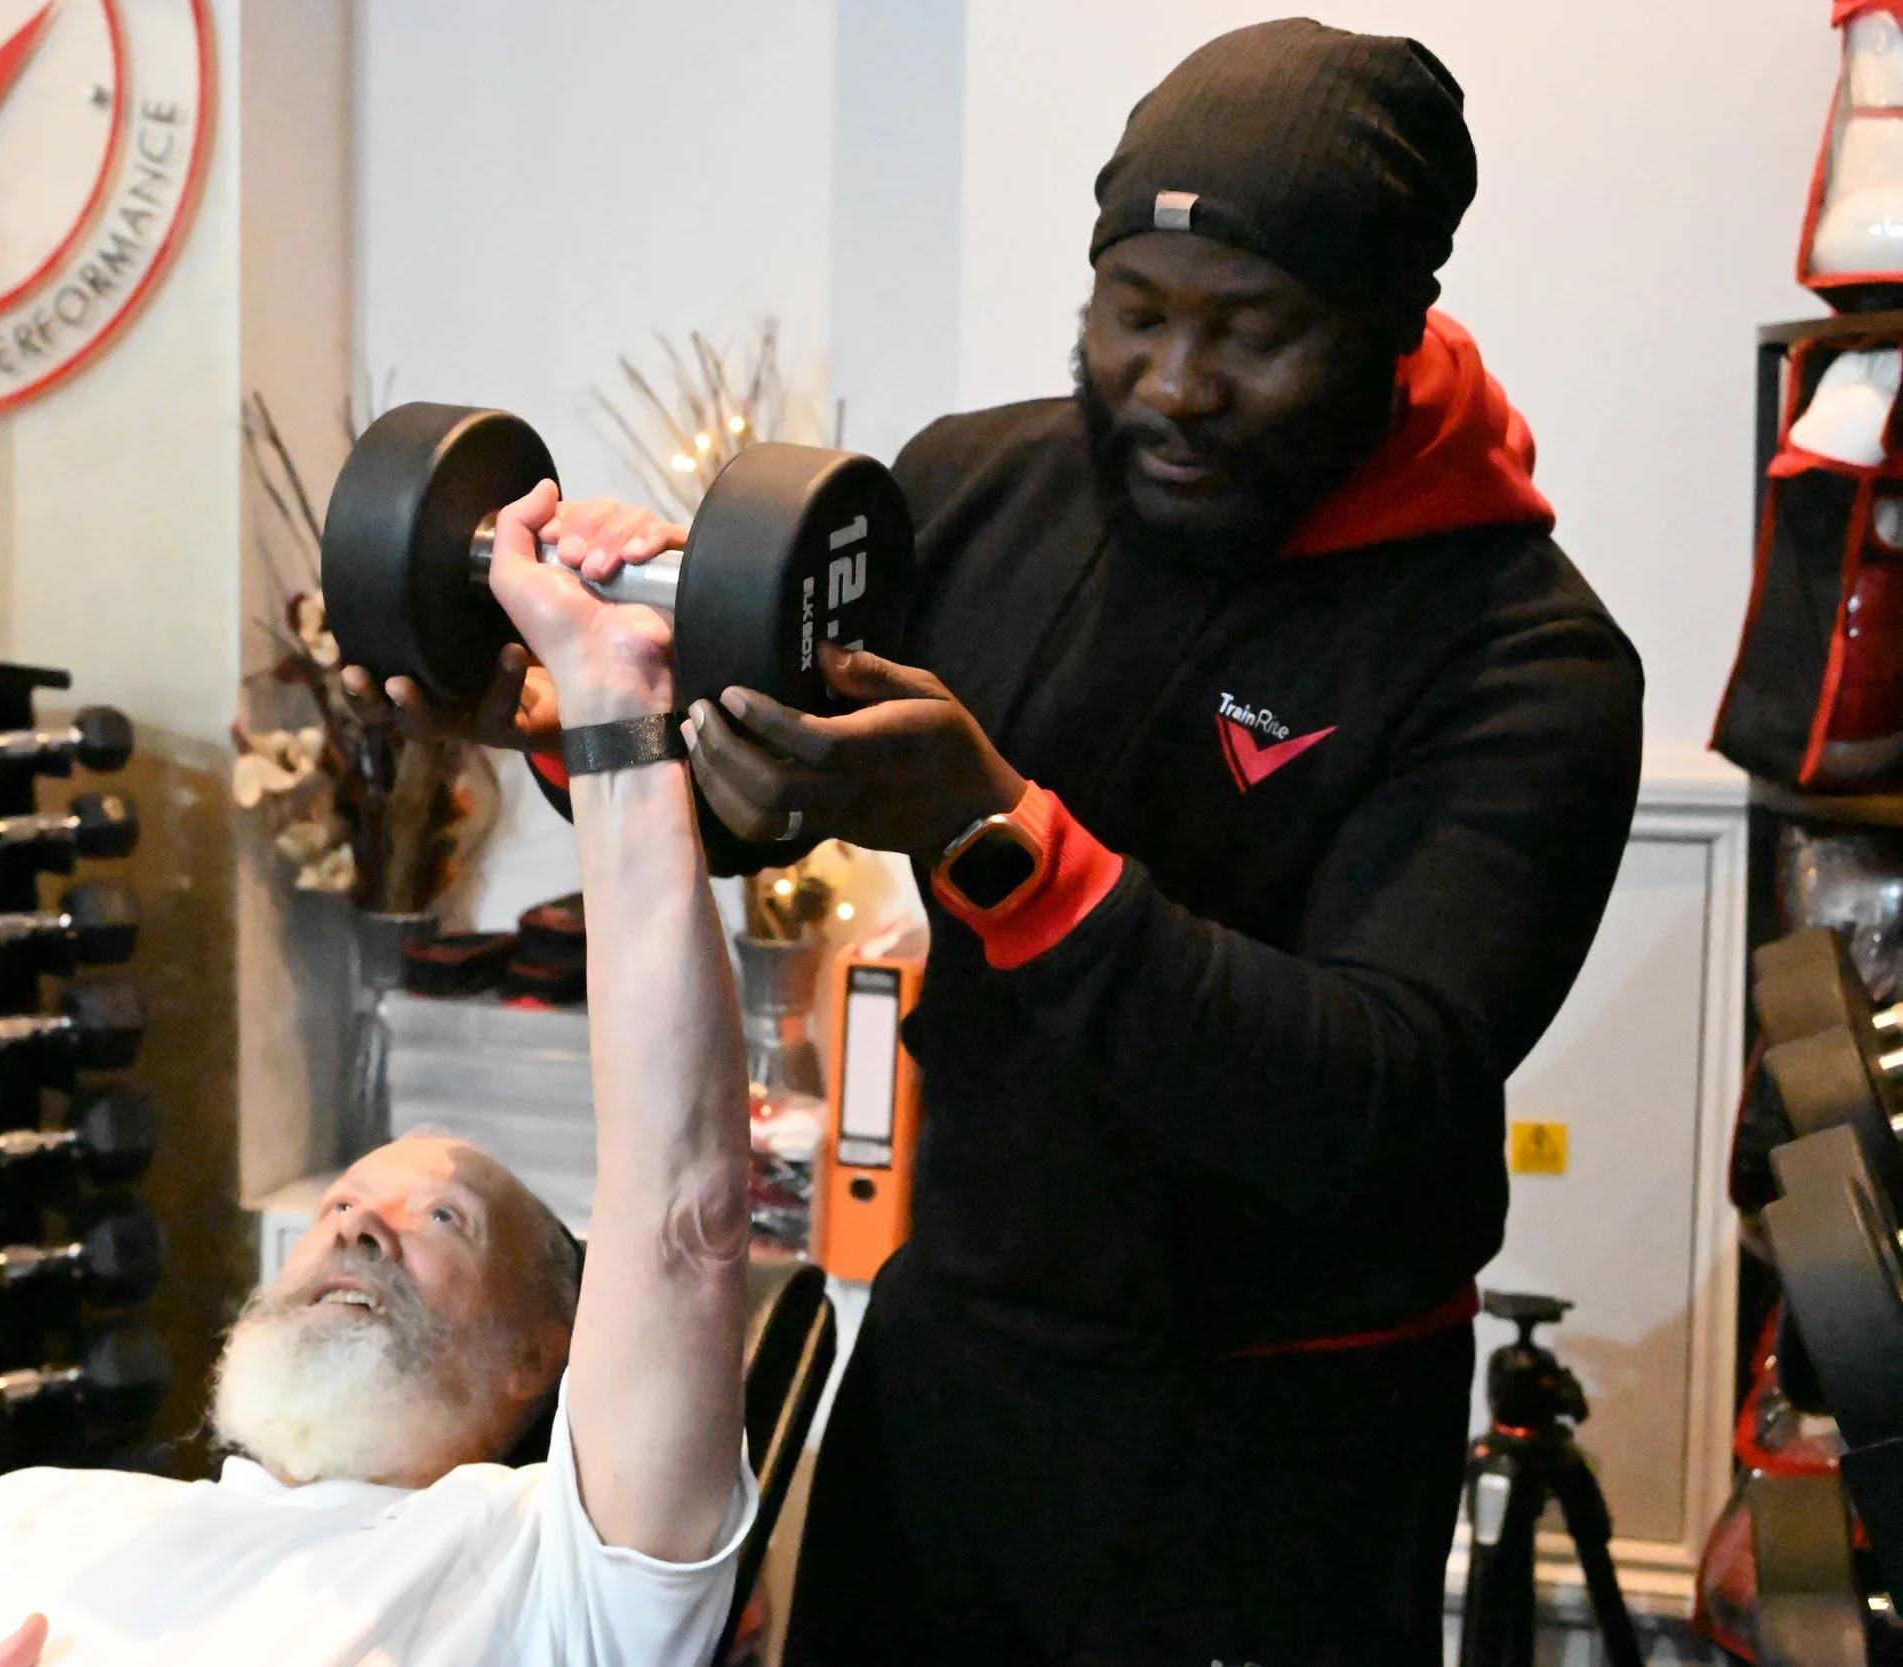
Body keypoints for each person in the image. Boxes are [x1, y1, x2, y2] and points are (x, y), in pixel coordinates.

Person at [356, 19, 1645, 1662]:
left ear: (1394, 327)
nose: (1174, 386)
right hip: (961, 1362)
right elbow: (778, 790)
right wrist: (577, 708)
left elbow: (1370, 1095)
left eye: (1257, 333)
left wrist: (994, 837)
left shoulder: (1518, 656)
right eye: (1136, 312)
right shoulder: (975, 490)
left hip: (1273, 1442)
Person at [0, 481, 758, 1667]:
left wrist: (613, 693)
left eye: (440, 1217)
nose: (357, 1222)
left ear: (536, 1353)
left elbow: (682, 1210)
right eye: (345, 1201)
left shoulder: (540, 1564)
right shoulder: (34, 1513)